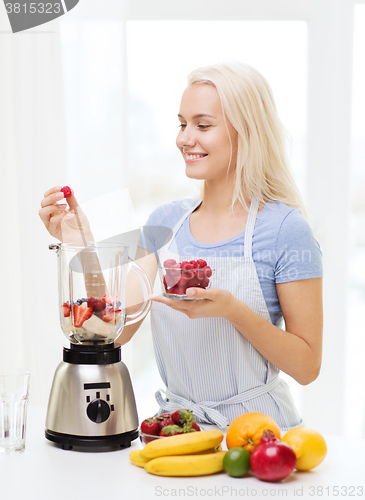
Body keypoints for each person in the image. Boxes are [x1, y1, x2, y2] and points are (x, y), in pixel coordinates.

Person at [39, 61, 323, 432]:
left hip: (262, 434)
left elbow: (307, 366)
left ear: (247, 132)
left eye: (202, 125)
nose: (184, 138)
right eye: (182, 123)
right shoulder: (166, 223)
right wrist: (83, 247)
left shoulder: (286, 229)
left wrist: (231, 310)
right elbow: (112, 330)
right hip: (180, 429)